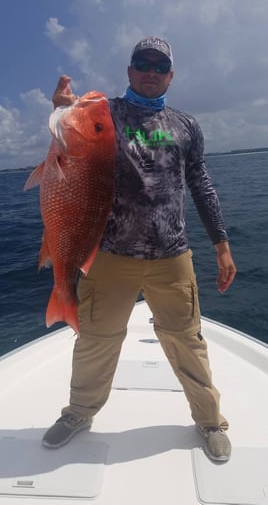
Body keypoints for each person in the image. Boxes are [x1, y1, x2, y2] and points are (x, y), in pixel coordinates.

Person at [42, 36, 236, 461]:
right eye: (142, 63)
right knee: (95, 339)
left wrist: (221, 244)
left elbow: (201, 185)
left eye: (159, 65)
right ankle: (79, 412)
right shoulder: (103, 113)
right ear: (129, 70)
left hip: (172, 256)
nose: (150, 71)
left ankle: (209, 420)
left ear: (170, 75)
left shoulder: (186, 125)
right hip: (110, 255)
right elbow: (69, 137)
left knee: (187, 341)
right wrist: (59, 108)